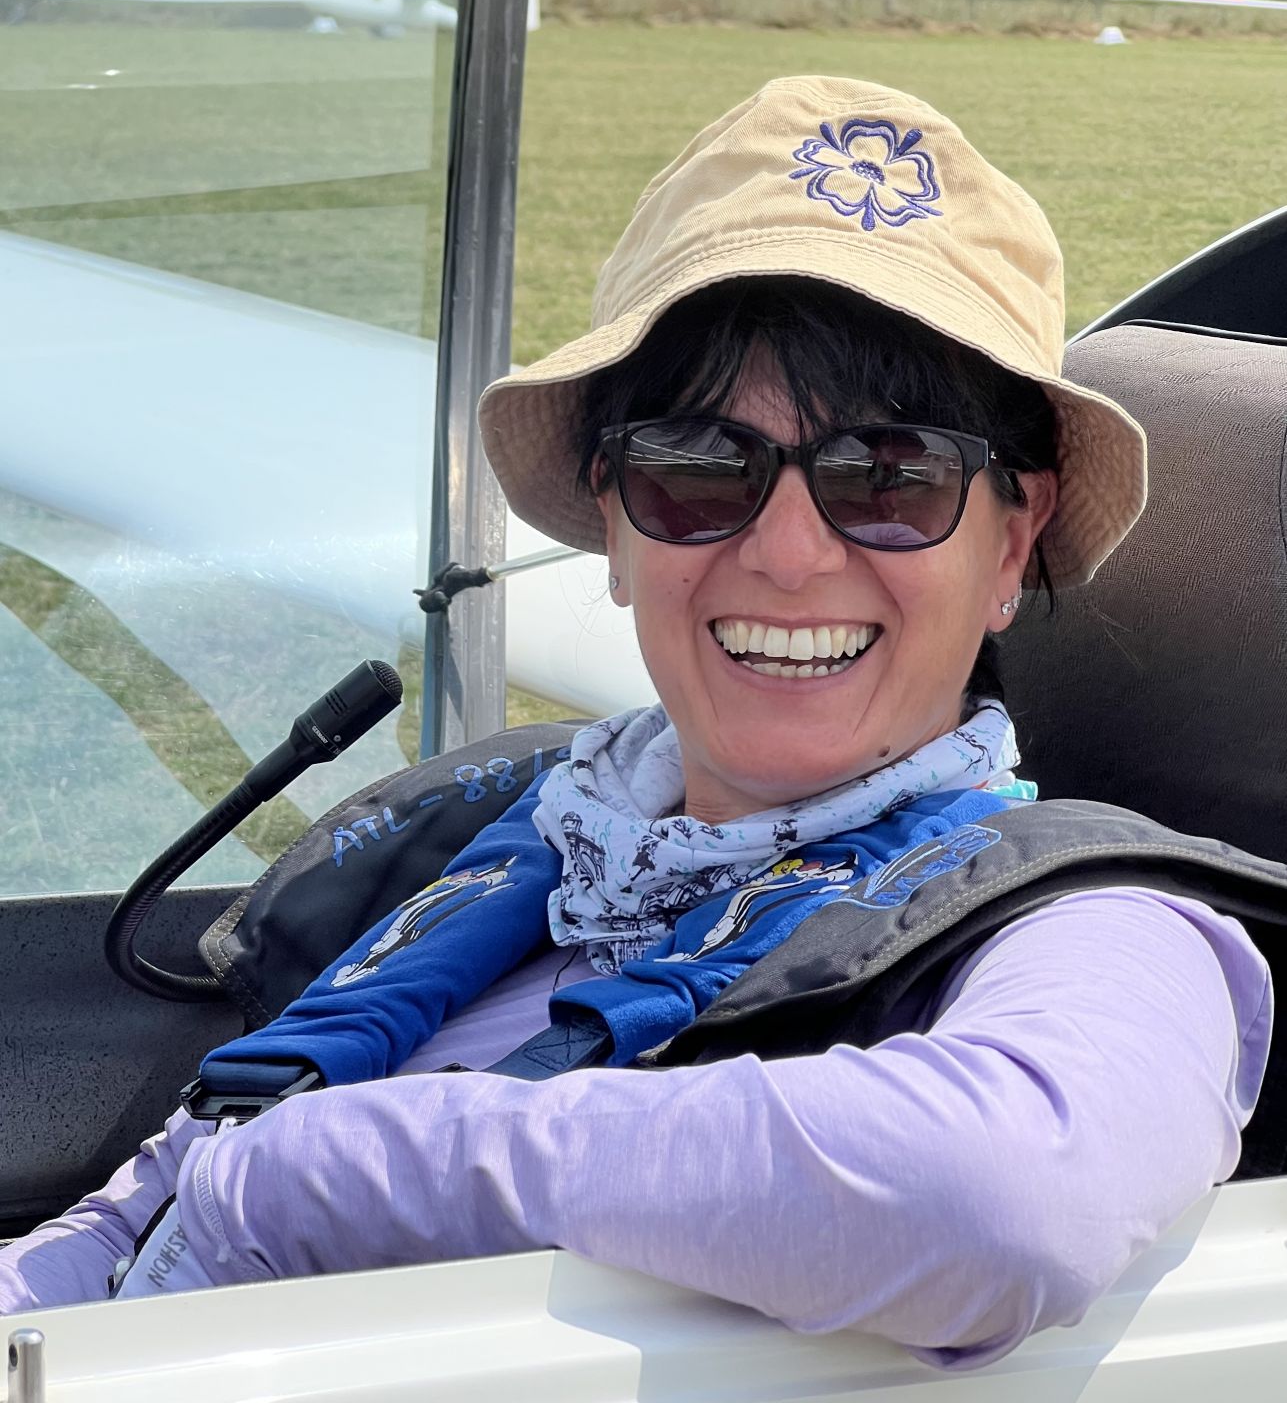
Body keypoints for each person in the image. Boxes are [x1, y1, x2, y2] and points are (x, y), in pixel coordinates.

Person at [0, 77, 1272, 1368]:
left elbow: (1007, 1199)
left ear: (1013, 541)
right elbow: (146, 1208)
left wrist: (330, 1173)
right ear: (613, 523)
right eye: (699, 468)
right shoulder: (540, 831)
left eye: (892, 477)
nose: (788, 553)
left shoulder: (1101, 929)